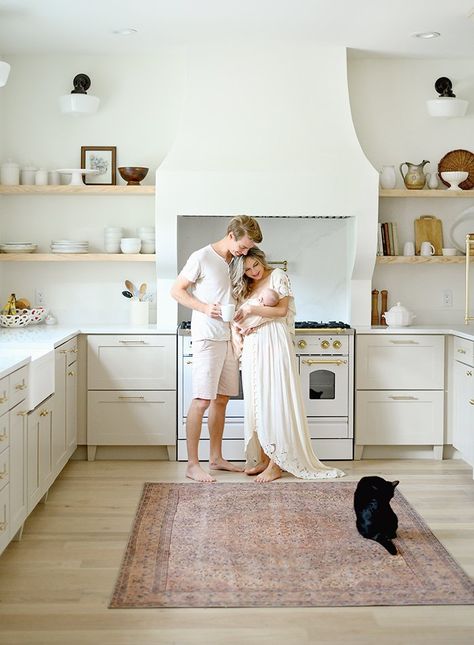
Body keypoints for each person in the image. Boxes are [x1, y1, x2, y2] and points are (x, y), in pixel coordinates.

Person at [230, 247, 345, 483]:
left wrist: (252, 309)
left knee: (275, 399)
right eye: (248, 270)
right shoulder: (247, 284)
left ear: (261, 260)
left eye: (255, 266)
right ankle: (263, 458)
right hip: (254, 343)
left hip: (274, 339)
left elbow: (281, 310)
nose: (253, 272)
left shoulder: (278, 276)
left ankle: (277, 463)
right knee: (256, 398)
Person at [170, 215, 263, 482]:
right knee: (202, 399)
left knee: (221, 399)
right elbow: (176, 291)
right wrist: (203, 308)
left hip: (228, 338)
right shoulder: (201, 257)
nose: (244, 252)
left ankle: (216, 457)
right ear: (231, 235)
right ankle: (191, 464)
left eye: (248, 249)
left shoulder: (233, 262)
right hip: (207, 337)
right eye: (243, 246)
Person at [231, 287, 279, 358]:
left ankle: (239, 344)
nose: (260, 301)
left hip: (241, 324)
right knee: (237, 333)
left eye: (264, 303)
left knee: (236, 332)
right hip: (241, 323)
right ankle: (240, 342)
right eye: (261, 298)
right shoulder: (255, 302)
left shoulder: (258, 306)